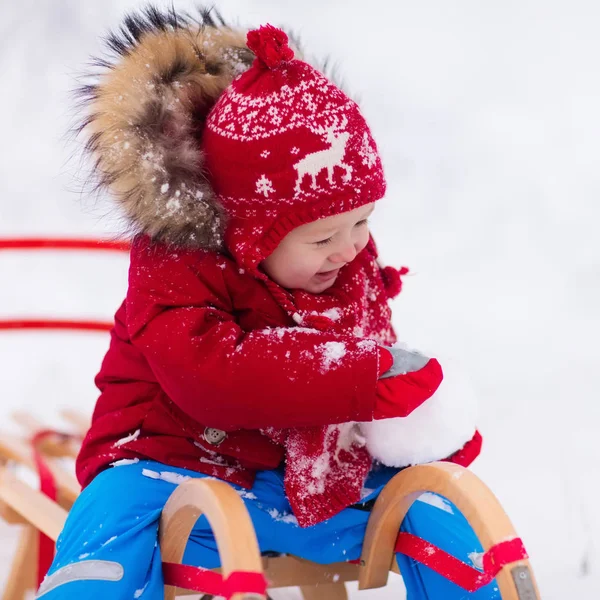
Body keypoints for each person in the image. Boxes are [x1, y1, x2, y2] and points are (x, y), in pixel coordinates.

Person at [37, 8, 493, 599]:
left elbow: (366, 376)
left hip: (294, 480)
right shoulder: (173, 269)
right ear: (252, 234)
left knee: (431, 502)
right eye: (324, 236)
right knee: (110, 522)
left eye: (363, 221)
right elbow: (215, 378)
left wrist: (418, 425)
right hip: (169, 463)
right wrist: (361, 378)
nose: (351, 248)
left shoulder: (345, 261)